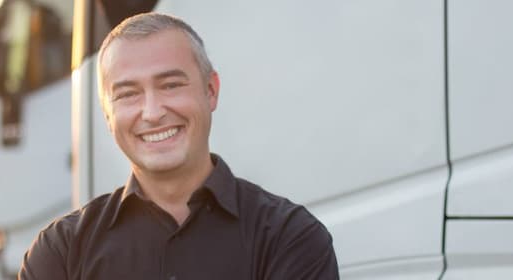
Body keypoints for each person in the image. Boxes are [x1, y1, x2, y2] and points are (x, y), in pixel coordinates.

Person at [19, 13, 338, 279]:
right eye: (129, 93)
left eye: (171, 85)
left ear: (210, 91)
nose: (153, 112)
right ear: (107, 113)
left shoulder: (290, 237)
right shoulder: (60, 251)